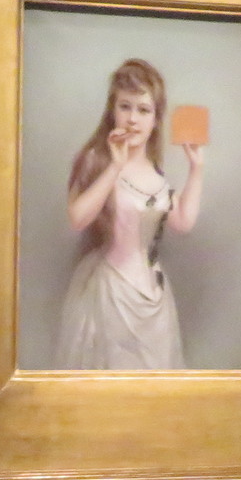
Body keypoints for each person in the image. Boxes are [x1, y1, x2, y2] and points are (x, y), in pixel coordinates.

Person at [54, 58, 206, 369]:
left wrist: (197, 168)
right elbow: (77, 219)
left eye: (143, 110)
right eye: (125, 107)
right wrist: (115, 166)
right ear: (113, 111)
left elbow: (183, 222)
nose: (133, 119)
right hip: (111, 294)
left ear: (156, 119)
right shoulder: (96, 159)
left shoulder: (155, 172)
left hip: (155, 298)